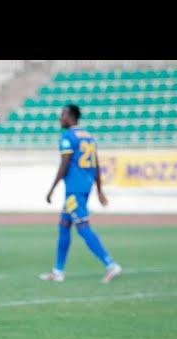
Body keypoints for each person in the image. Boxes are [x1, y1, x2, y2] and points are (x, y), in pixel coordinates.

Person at [39, 104, 122, 284]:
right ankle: (58, 271)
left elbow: (65, 163)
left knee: (83, 228)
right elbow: (97, 164)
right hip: (84, 188)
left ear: (70, 116)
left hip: (74, 190)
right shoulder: (89, 137)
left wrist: (52, 188)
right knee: (64, 225)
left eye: (62, 115)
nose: (60, 118)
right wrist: (99, 190)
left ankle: (111, 264)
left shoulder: (68, 137)